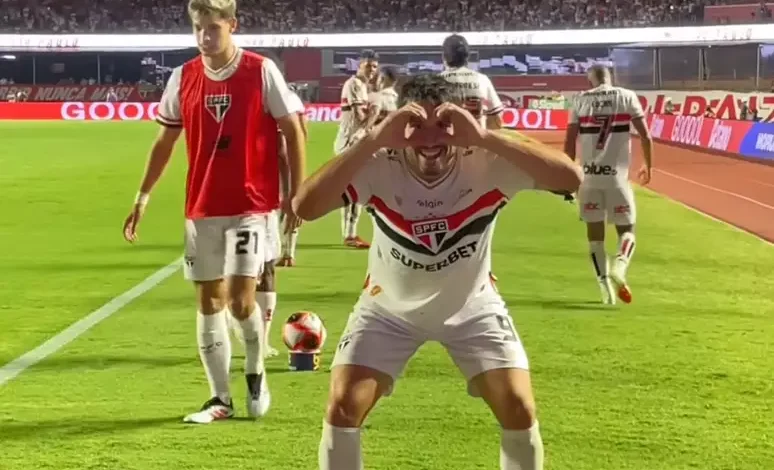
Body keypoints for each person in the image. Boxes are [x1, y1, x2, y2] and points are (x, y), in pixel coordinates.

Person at [292, 74, 583, 470]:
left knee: (518, 407)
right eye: (416, 127)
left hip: (473, 306)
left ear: (459, 122)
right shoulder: (379, 163)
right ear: (399, 124)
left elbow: (571, 178)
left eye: (442, 127)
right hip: (386, 309)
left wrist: (483, 137)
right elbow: (305, 207)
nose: (430, 141)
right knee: (343, 407)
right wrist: (372, 140)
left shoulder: (487, 160)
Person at [122, 0, 305, 423]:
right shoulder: (182, 77)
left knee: (241, 302)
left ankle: (256, 371)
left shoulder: (260, 70)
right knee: (208, 302)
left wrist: (297, 193)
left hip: (250, 205)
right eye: (199, 29)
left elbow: (293, 129)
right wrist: (142, 197)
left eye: (213, 28)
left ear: (232, 26)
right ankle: (219, 398)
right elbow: (164, 142)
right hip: (202, 206)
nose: (205, 36)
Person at [563, 64, 653, 305]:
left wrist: (568, 175)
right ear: (609, 78)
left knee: (595, 237)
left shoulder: (579, 100)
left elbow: (569, 142)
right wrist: (648, 165)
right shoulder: (627, 96)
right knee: (627, 230)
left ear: (589, 80)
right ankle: (620, 266)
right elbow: (646, 135)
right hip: (617, 179)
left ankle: (605, 289)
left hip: (589, 179)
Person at [334, 49, 380, 249]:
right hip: (349, 142)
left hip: (355, 142)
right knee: (353, 190)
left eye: (375, 67)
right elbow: (361, 117)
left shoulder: (364, 87)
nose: (372, 70)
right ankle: (349, 235)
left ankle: (351, 233)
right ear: (360, 64)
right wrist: (376, 113)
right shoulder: (354, 84)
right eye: (369, 65)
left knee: (357, 188)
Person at [439, 34, 504, 129]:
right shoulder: (482, 79)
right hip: (477, 141)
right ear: (467, 57)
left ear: (444, 57)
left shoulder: (434, 82)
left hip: (447, 141)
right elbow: (497, 118)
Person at [276, 82, 308, 267]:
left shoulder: (278, 100)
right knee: (290, 201)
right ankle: (288, 252)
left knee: (283, 202)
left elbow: (283, 141)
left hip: (278, 159)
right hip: (288, 158)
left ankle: (283, 251)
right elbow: (303, 132)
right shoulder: (293, 99)